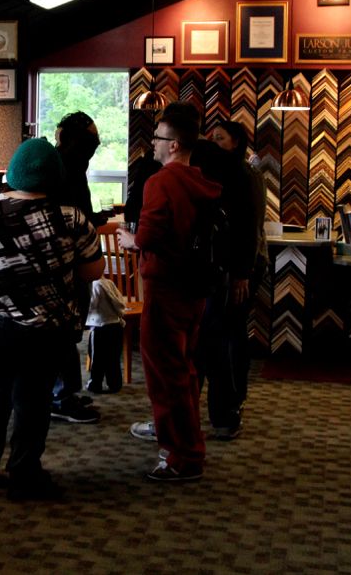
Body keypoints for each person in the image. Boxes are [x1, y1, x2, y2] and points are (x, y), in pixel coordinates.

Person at [0, 138, 104, 500]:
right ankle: (24, 473)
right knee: (34, 399)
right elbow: (93, 271)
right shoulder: (71, 217)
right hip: (48, 325)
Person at [117, 103, 222, 481]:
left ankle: (182, 455)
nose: (153, 144)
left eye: (158, 138)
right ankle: (188, 445)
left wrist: (131, 240)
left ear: (174, 144)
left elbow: (148, 236)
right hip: (195, 287)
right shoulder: (202, 182)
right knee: (184, 370)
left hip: (164, 287)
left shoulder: (161, 182)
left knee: (165, 374)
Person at [197, 120, 267, 439]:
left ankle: (232, 403)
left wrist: (242, 272)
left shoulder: (243, 174)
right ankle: (230, 405)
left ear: (236, 142)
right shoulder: (224, 171)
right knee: (225, 334)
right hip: (235, 266)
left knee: (227, 335)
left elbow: (249, 225)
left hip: (243, 266)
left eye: (220, 138)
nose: (213, 144)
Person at [50, 111, 108, 423]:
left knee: (69, 329)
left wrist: (92, 218)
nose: (96, 142)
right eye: (92, 137)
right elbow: (69, 211)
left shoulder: (71, 163)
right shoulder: (63, 165)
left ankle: (65, 393)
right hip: (64, 262)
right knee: (64, 329)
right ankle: (60, 396)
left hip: (70, 258)